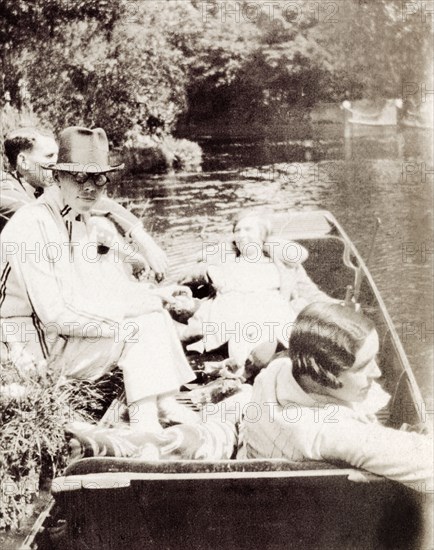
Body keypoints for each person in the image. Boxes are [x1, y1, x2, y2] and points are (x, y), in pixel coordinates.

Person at [0, 126, 198, 433]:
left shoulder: (78, 219)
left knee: (153, 317)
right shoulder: (33, 224)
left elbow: (93, 295)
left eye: (98, 178)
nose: (90, 187)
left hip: (58, 339)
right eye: (78, 177)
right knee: (138, 328)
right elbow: (55, 315)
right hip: (27, 350)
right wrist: (127, 317)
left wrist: (154, 298)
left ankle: (163, 408)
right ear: (56, 177)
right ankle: (147, 428)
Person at [241, 302, 433, 491]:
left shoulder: (277, 370)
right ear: (321, 375)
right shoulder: (329, 431)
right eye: (363, 366)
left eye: (375, 358)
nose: (377, 372)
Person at [0, 126, 168, 278]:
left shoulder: (35, 187)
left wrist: (138, 236)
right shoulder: (6, 194)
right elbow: (56, 214)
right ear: (23, 161)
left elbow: (91, 203)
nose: (59, 162)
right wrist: (130, 253)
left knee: (98, 225)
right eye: (50, 156)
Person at [177, 210, 334, 371]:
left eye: (248, 229)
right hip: (228, 319)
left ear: (262, 234)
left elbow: (306, 284)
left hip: (270, 317)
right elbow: (185, 278)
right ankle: (245, 365)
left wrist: (334, 305)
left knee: (268, 328)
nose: (241, 235)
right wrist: (211, 266)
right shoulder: (223, 261)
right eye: (237, 231)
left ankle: (253, 363)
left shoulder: (281, 264)